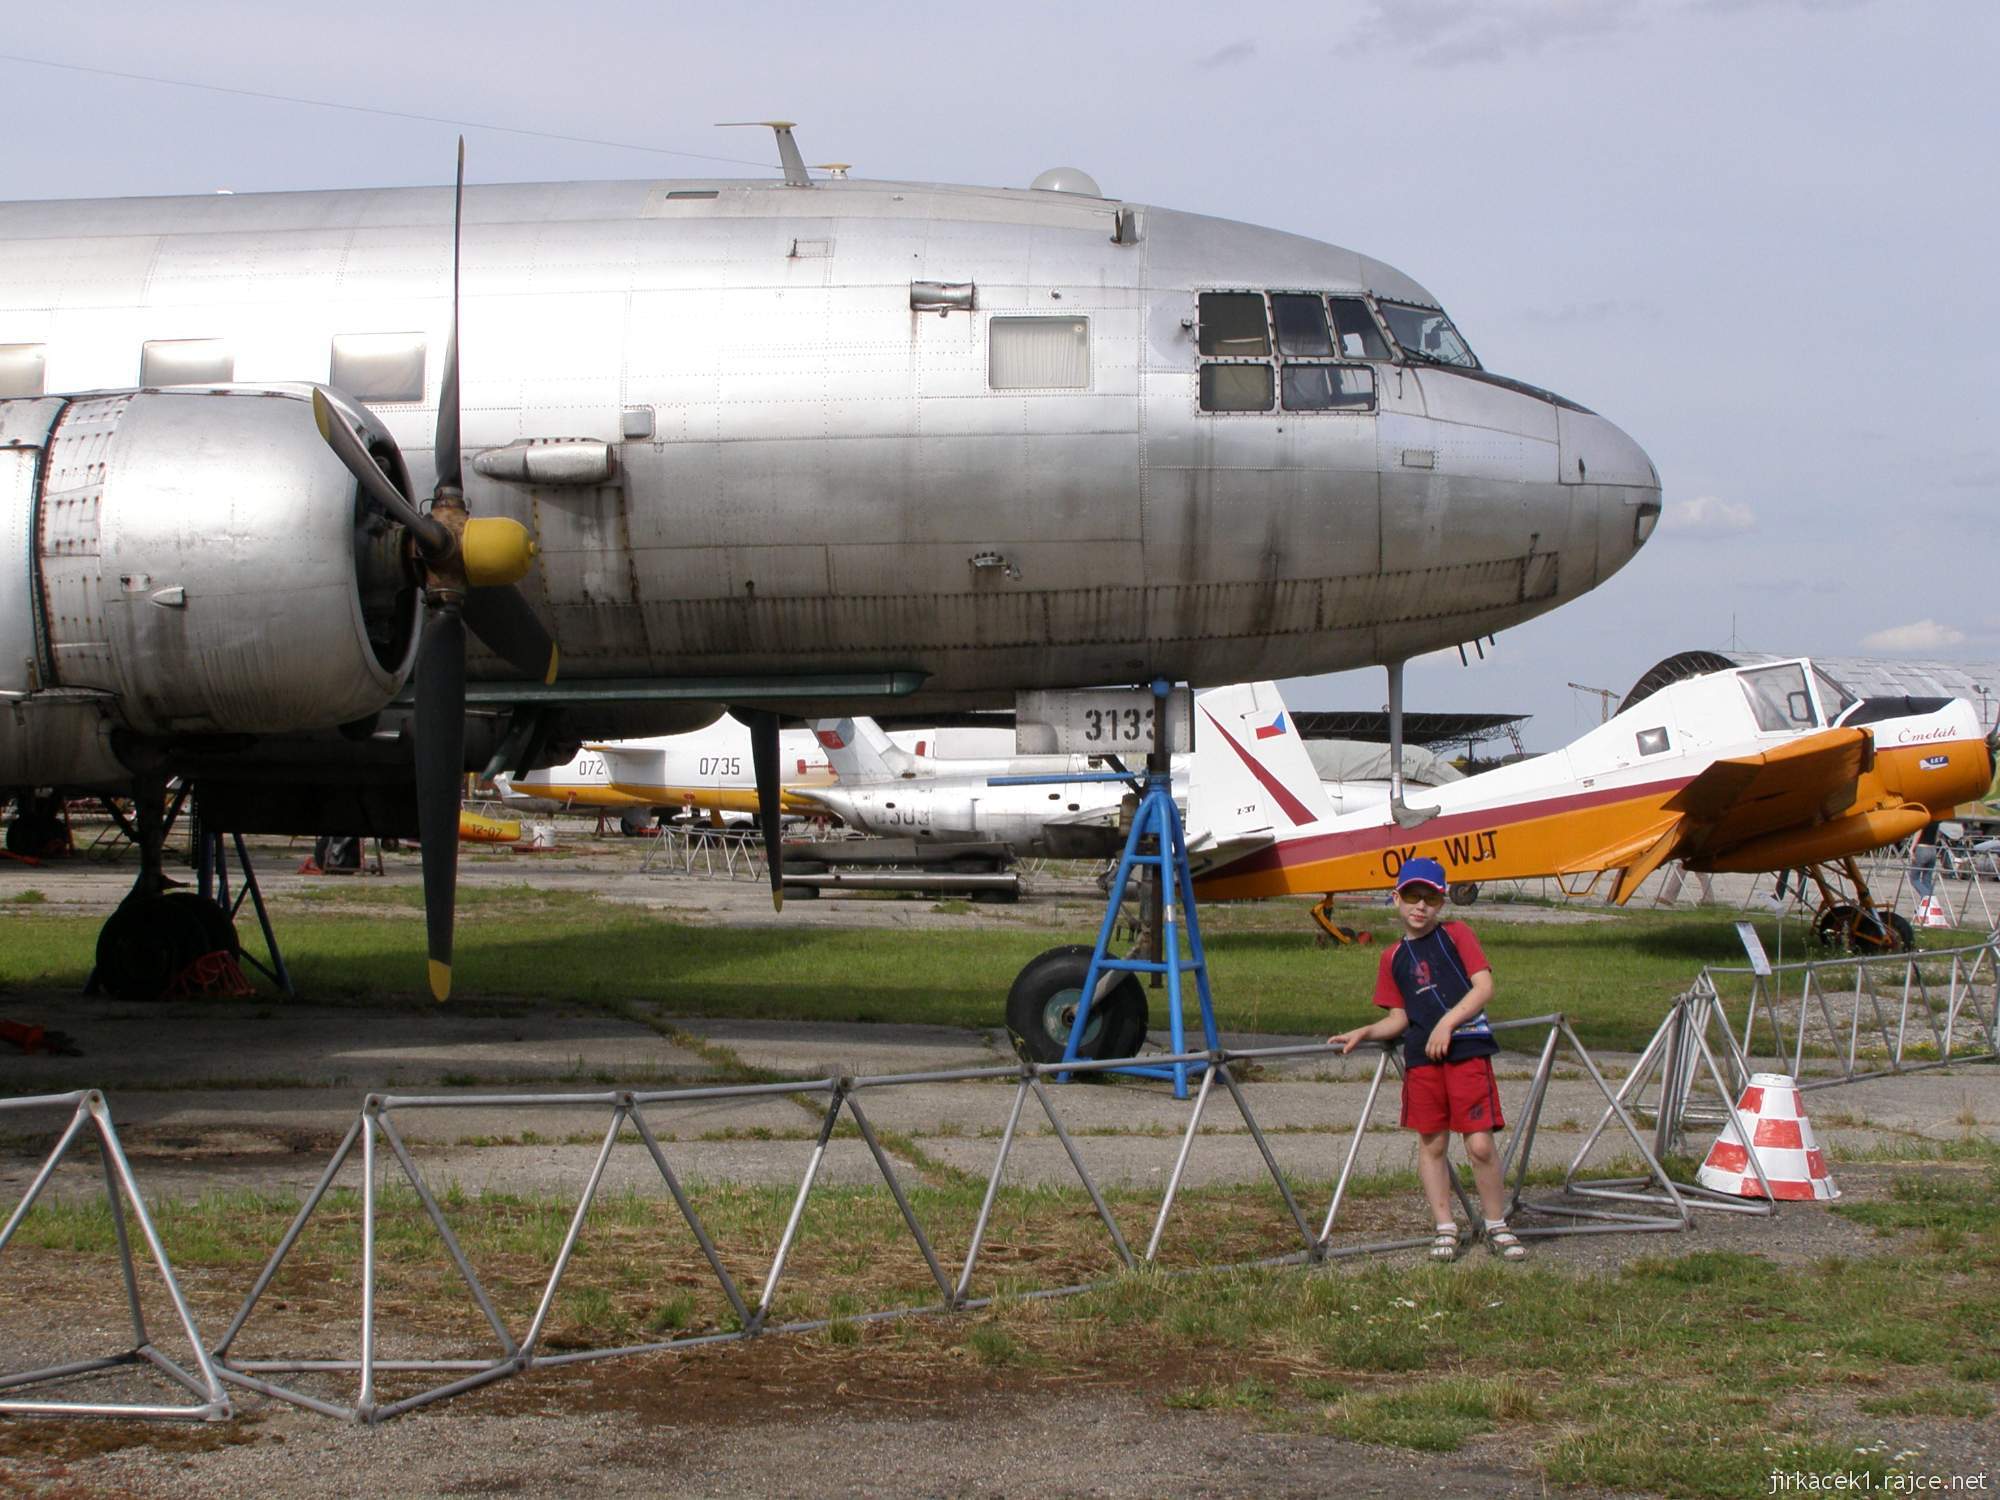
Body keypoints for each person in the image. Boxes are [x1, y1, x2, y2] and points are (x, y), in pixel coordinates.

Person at [1329, 856, 1525, 1262]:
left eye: (1430, 899)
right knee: (1432, 1142)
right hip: (1422, 1059)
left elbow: (1483, 987)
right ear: (1396, 898)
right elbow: (1398, 1017)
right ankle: (1445, 1227)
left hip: (1467, 1048)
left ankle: (1496, 1223)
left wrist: (1447, 1024)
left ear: (1442, 902)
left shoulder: (1457, 935)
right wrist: (1365, 1031)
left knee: (1480, 1143)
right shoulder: (1392, 957)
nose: (1420, 907)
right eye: (1412, 897)